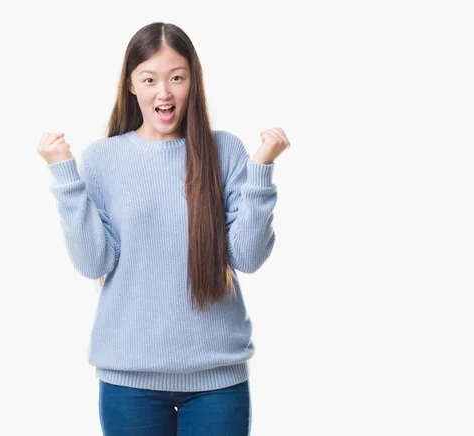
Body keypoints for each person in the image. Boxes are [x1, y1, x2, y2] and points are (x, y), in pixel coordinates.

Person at [36, 21, 290, 435]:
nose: (164, 93)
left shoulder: (224, 151)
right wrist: (65, 176)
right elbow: (92, 262)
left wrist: (261, 169)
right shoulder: (103, 158)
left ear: (194, 81)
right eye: (150, 79)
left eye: (177, 78)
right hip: (129, 380)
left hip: (217, 382)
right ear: (132, 84)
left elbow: (248, 256)